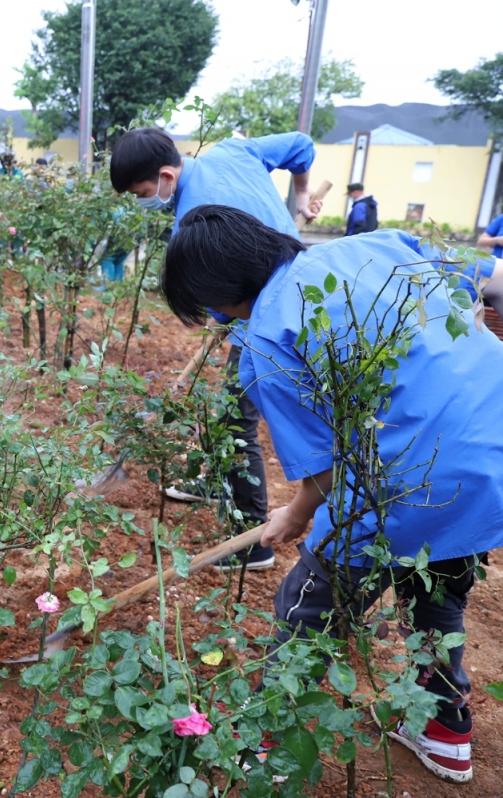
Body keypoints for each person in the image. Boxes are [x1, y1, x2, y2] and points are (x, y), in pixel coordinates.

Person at [162, 204, 503, 784]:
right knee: (436, 593)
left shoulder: (268, 339)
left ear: (219, 300)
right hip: (491, 460)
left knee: (307, 610)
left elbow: (323, 474)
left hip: (404, 478)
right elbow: (492, 279)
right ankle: (446, 732)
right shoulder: (377, 246)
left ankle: (263, 746)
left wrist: (293, 516)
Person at [110, 126, 323, 573]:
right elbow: (301, 145)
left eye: (145, 192)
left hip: (270, 322)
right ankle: (218, 484)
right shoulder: (232, 150)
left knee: (235, 423)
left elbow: (220, 294)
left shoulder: (195, 216)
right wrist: (301, 196)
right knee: (228, 411)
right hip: (291, 292)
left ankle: (253, 545)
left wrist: (222, 317)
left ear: (167, 175)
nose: (144, 199)